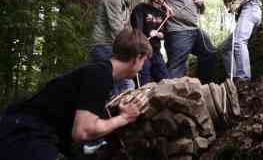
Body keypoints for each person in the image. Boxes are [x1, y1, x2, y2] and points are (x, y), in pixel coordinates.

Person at [0, 29, 152, 160]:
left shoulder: (100, 73)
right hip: (25, 134)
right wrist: (124, 118)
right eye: (144, 60)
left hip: (27, 132)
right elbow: (83, 131)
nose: (143, 66)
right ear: (137, 58)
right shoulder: (100, 75)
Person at [159, 0, 216, 82]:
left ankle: (202, 86)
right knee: (176, 67)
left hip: (195, 30)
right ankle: (167, 97)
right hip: (177, 30)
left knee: (210, 53)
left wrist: (201, 4)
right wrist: (165, 7)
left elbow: (201, 11)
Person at [204, 0, 262, 81]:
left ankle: (244, 79)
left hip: (251, 8)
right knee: (224, 48)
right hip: (242, 14)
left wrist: (238, 2)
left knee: (239, 41)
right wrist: (230, 6)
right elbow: (227, 2)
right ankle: (234, 78)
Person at [90, 0, 145, 94]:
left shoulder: (124, 1)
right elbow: (117, 29)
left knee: (107, 87)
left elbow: (126, 28)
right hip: (103, 46)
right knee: (126, 85)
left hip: (110, 47)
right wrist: (133, 48)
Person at [131, 0, 173, 85]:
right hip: (143, 51)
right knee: (142, 81)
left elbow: (165, 34)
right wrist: (148, 33)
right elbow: (137, 29)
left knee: (166, 81)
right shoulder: (141, 8)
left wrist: (159, 34)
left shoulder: (162, 14)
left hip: (156, 52)